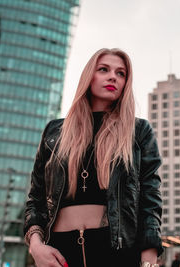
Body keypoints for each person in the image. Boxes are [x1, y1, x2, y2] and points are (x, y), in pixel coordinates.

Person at [24, 48, 163, 267]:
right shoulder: (54, 132)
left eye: (121, 73)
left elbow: (150, 198)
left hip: (116, 252)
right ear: (89, 75)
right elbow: (36, 198)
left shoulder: (138, 131)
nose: (112, 77)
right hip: (58, 254)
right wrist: (36, 246)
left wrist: (149, 260)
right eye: (104, 69)